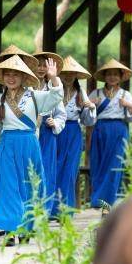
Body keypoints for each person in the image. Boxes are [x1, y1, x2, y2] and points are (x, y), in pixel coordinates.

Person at [0, 55, 63, 245]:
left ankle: (26, 227)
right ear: (3, 77)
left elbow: (56, 97)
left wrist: (54, 78)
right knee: (7, 187)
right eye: (7, 74)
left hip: (29, 144)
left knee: (29, 185)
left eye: (16, 74)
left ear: (24, 76)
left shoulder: (35, 96)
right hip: (7, 145)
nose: (11, 78)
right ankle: (9, 231)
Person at [88, 59, 132, 208]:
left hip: (119, 130)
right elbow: (86, 117)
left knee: (115, 164)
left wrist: (129, 106)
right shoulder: (95, 93)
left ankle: (111, 199)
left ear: (121, 77)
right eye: (109, 74)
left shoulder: (125, 94)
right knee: (99, 163)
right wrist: (92, 105)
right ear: (104, 77)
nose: (112, 77)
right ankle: (97, 199)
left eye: (115, 74)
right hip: (100, 130)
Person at [55, 56, 96, 213]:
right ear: (59, 74)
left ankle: (66, 208)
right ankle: (53, 208)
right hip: (56, 132)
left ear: (76, 75)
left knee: (70, 170)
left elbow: (87, 121)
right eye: (65, 73)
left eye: (72, 73)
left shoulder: (81, 93)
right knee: (56, 166)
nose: (68, 76)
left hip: (73, 133)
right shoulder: (55, 91)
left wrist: (90, 108)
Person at [32, 50, 66, 215]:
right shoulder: (25, 87)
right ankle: (30, 209)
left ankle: (44, 211)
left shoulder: (53, 87)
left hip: (46, 134)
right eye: (37, 64)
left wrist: (55, 123)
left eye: (44, 65)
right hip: (29, 133)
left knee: (47, 170)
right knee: (30, 170)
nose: (40, 68)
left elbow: (62, 114)